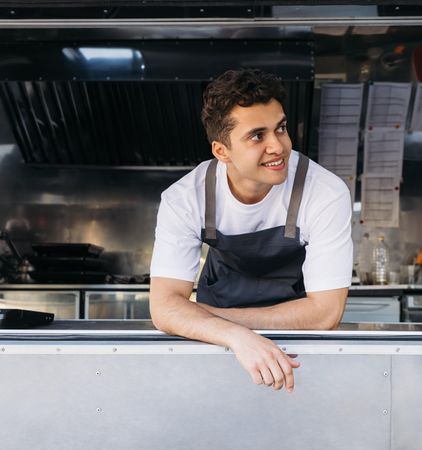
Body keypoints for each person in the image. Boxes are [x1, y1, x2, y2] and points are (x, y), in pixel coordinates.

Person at [149, 68, 353, 393]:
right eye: (257, 135)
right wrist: (234, 336)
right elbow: (163, 308)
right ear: (222, 151)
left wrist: (208, 317)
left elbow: (326, 313)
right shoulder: (185, 198)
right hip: (215, 346)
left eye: (281, 128)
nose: (278, 146)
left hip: (299, 348)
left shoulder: (325, 192)